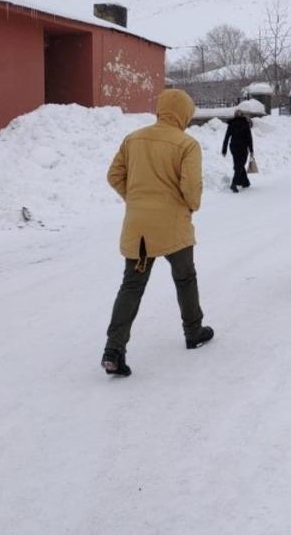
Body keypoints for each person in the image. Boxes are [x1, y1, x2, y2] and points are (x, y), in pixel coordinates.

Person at [101, 89, 214, 377]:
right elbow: (191, 190)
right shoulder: (187, 144)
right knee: (185, 278)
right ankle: (193, 331)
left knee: (132, 286)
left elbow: (114, 174)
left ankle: (114, 350)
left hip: (138, 229)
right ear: (184, 113)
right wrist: (191, 205)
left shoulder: (133, 138)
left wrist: (135, 199)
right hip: (174, 226)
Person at [221, 109, 254, 193]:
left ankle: (245, 182)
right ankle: (234, 183)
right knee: (240, 165)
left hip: (234, 147)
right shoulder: (245, 124)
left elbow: (227, 137)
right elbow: (249, 138)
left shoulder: (231, 124)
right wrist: (251, 150)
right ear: (242, 115)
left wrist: (224, 149)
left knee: (239, 164)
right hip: (243, 147)